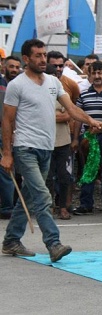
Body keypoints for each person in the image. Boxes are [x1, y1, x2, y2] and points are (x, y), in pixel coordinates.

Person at [1, 39, 102, 262]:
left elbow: (72, 108)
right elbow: (7, 121)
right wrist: (7, 153)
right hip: (25, 148)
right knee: (42, 195)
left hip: (47, 147)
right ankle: (53, 243)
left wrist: (90, 120)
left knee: (27, 198)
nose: (42, 59)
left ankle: (10, 241)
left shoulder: (53, 83)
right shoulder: (17, 85)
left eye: (43, 54)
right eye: (37, 55)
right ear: (26, 59)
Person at [74, 61, 102, 216]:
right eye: (94, 73)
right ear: (89, 75)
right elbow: (78, 118)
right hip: (88, 137)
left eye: (100, 73)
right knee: (88, 171)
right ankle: (85, 204)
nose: (97, 76)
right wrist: (76, 139)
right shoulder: (83, 95)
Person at [46, 51, 80, 220]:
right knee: (46, 176)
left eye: (61, 65)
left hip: (64, 140)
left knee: (65, 176)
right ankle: (47, 207)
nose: (58, 69)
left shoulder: (70, 85)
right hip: (44, 140)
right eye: (54, 65)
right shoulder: (38, 85)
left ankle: (63, 207)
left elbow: (72, 113)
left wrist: (75, 138)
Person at [0, 56, 21, 220]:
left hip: (9, 134)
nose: (14, 70)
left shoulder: (19, 86)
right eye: (11, 66)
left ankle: (8, 207)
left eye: (17, 67)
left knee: (7, 172)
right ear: (4, 66)